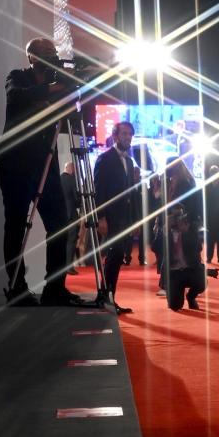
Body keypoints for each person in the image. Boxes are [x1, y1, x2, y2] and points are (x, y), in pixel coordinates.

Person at [0, 37, 80, 307]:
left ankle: (55, 288)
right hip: (15, 165)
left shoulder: (58, 80)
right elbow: (17, 96)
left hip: (45, 164)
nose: (52, 55)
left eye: (53, 51)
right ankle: (17, 287)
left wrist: (69, 87)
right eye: (46, 52)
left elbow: (71, 115)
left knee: (60, 225)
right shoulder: (18, 77)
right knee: (16, 225)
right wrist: (55, 88)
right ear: (31, 56)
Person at [94, 121, 136, 314]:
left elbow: (130, 194)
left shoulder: (128, 161)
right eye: (124, 134)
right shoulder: (104, 159)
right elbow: (99, 191)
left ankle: (109, 297)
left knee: (117, 256)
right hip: (110, 217)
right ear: (115, 135)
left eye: (130, 135)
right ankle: (106, 297)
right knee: (113, 256)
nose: (128, 137)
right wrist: (101, 217)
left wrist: (133, 220)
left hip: (124, 218)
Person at [163, 157, 209, 311]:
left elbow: (194, 206)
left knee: (199, 277)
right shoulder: (170, 183)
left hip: (187, 229)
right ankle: (175, 289)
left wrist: (187, 223)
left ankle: (191, 295)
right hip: (173, 231)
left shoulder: (187, 183)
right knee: (175, 305)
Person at [60, 162, 80, 275]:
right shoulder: (72, 180)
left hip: (61, 215)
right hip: (71, 215)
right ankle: (69, 266)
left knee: (62, 241)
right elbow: (76, 199)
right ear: (71, 169)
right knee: (71, 241)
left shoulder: (58, 179)